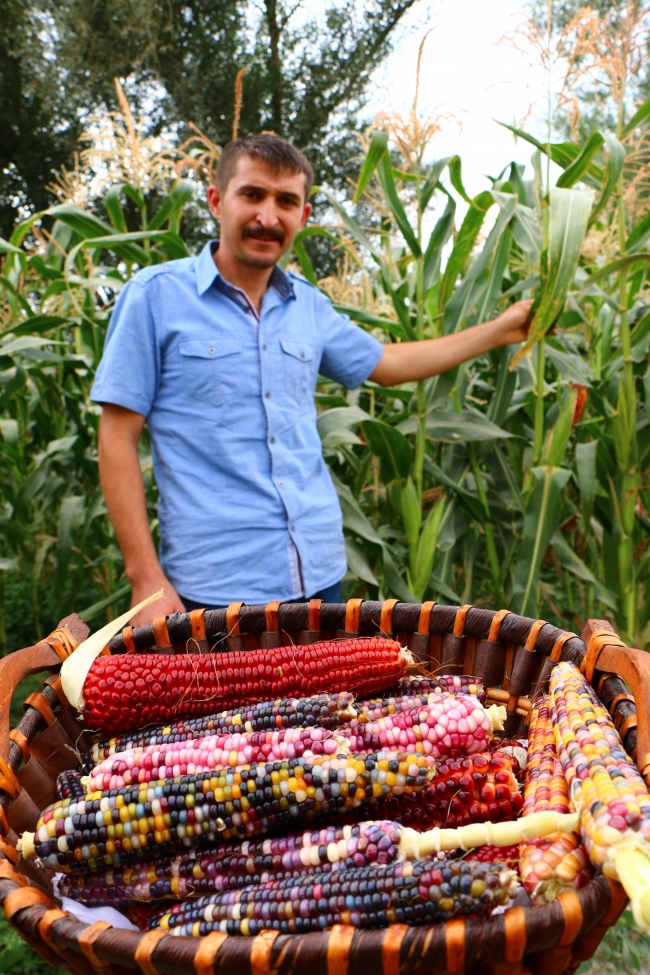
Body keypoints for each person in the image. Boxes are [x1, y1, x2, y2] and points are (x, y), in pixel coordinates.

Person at [92, 134, 532, 626]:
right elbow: (117, 435)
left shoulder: (308, 304)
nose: (268, 217)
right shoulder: (154, 297)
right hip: (214, 587)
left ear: (303, 216)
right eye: (252, 195)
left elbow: (386, 365)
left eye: (286, 202)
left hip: (318, 574)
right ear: (217, 201)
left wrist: (501, 331)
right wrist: (145, 577)